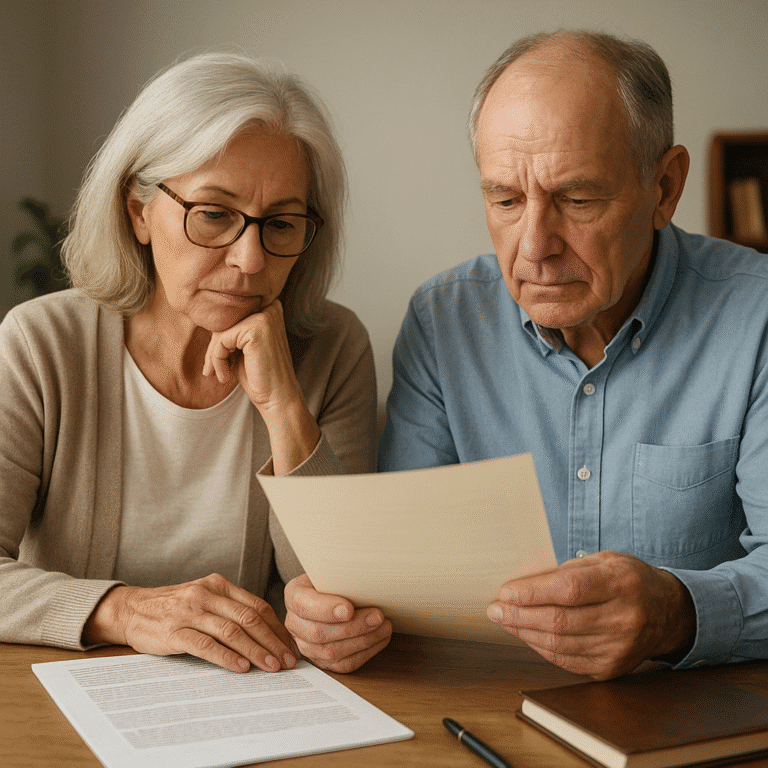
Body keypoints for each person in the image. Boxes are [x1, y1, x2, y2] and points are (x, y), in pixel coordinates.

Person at [379, 30, 768, 680]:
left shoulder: (756, 318)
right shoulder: (441, 322)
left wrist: (676, 613)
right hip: (488, 710)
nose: (534, 246)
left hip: (691, 720)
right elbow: (403, 567)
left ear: (664, 189)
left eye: (578, 200)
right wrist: (342, 604)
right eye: (504, 200)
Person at [0, 52, 391, 675]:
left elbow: (342, 594)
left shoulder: (335, 347)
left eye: (281, 224)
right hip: (67, 703)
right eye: (213, 214)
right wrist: (128, 611)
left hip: (257, 702)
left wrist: (284, 406)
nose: (250, 260)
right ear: (138, 212)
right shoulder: (40, 344)